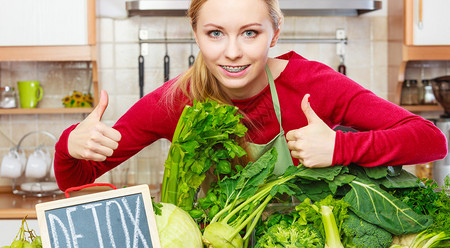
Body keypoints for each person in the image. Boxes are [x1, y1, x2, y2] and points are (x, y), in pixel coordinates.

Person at [54, 0, 447, 191]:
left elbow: (431, 140)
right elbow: (75, 179)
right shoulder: (174, 101)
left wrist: (341, 148)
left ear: (274, 33)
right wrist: (70, 145)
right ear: (196, 35)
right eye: (215, 33)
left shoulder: (313, 84)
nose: (232, 52)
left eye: (250, 32)